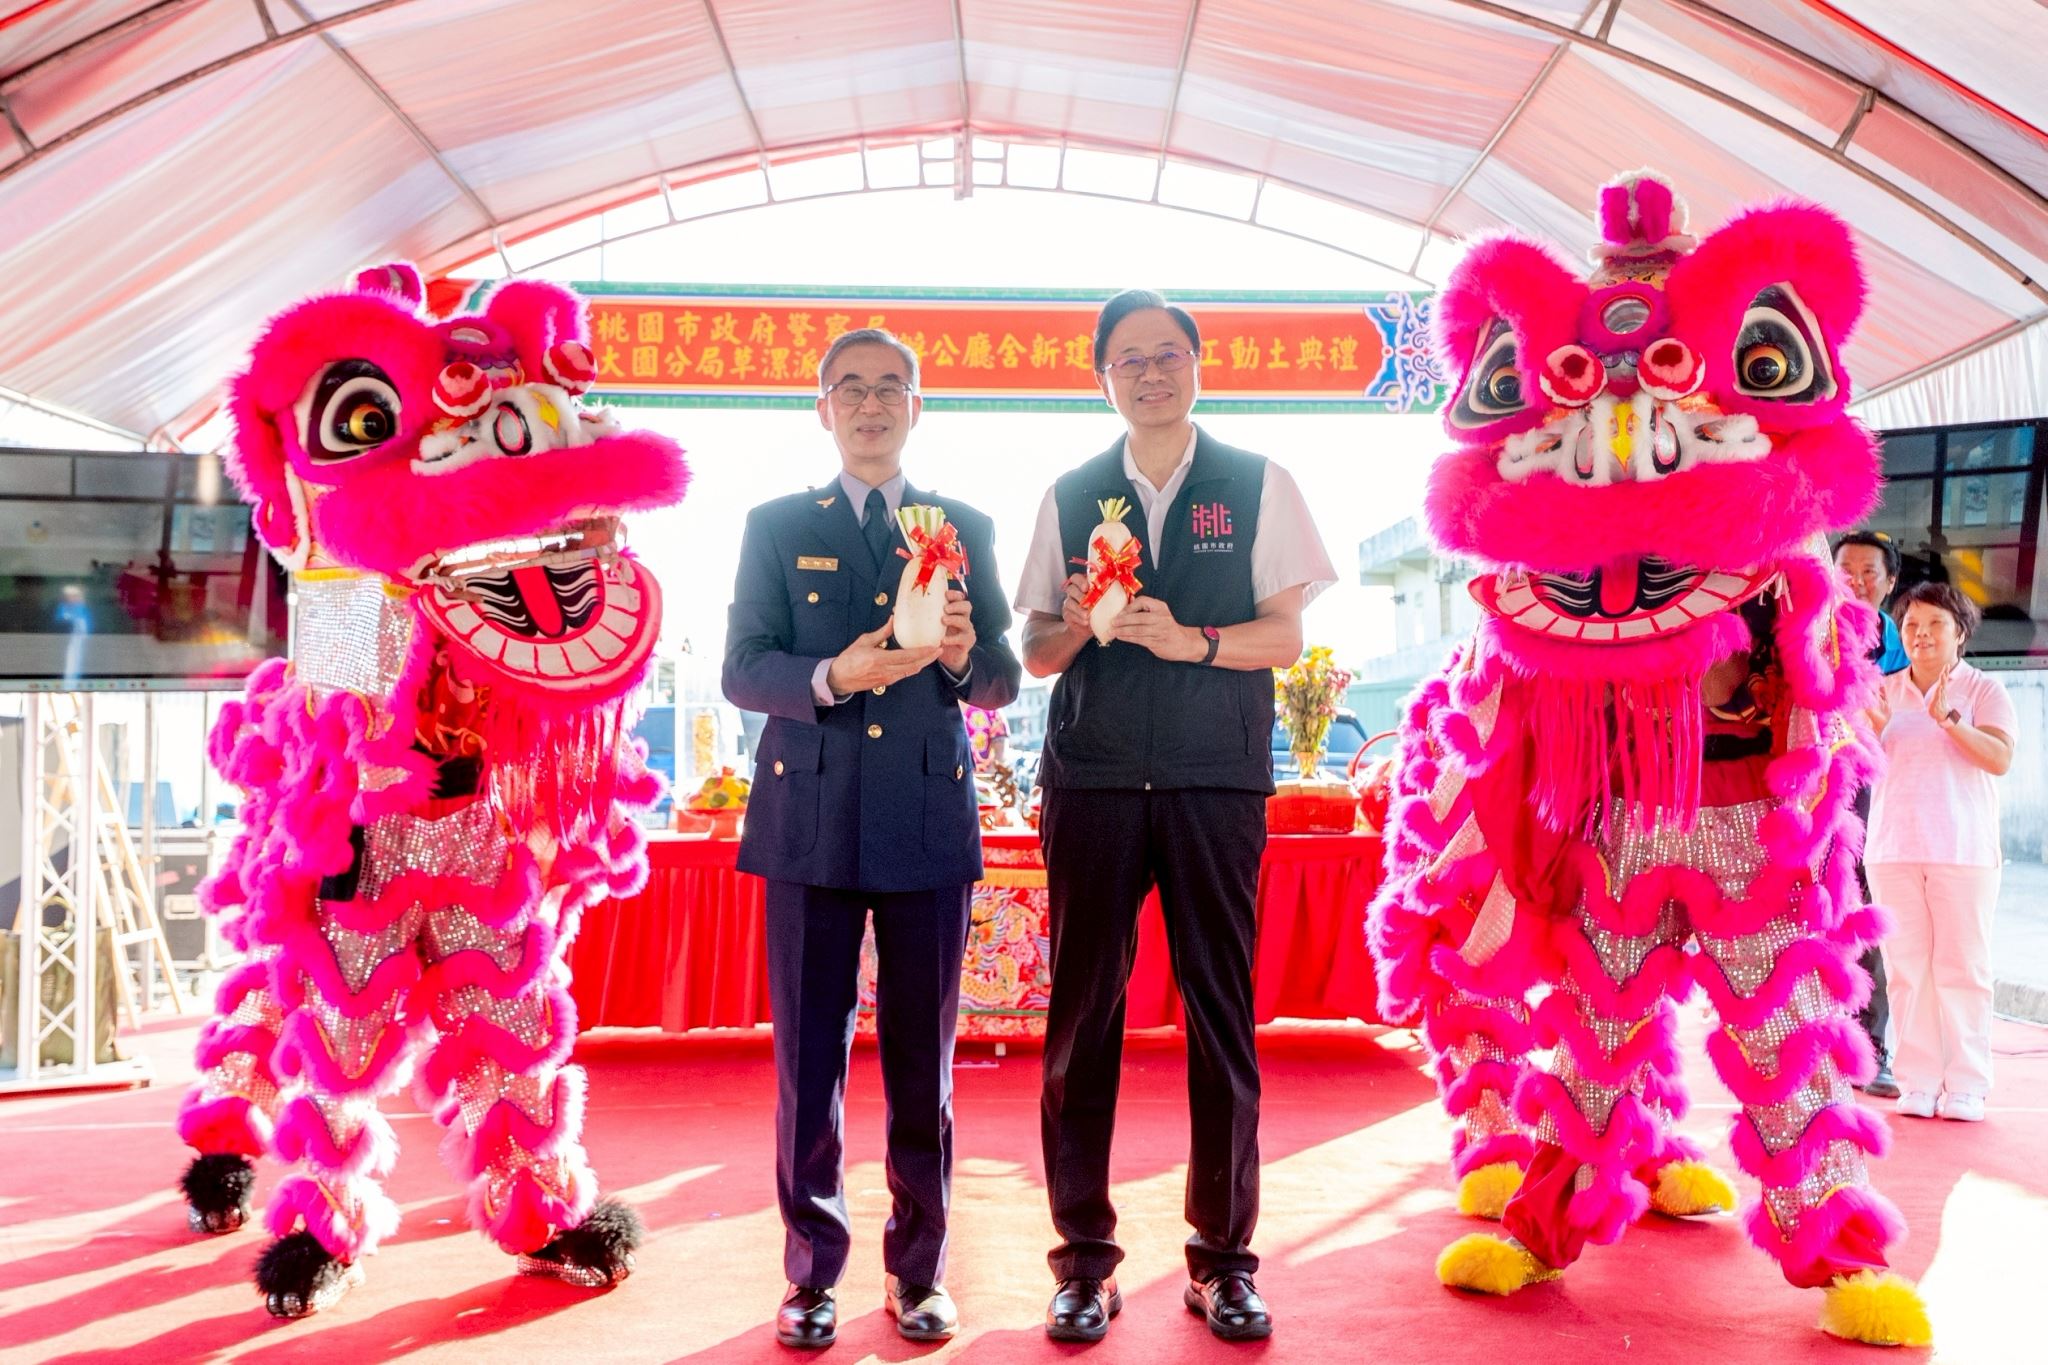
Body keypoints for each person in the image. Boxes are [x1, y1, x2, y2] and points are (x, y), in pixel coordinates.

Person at [1015, 289, 1336, 1343]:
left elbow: (1284, 636)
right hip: (1094, 779)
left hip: (1212, 778)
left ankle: (1223, 1261)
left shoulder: (1257, 482)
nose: (1149, 375)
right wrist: (1078, 624)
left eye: (1165, 356)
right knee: (1081, 1021)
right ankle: (1082, 1261)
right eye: (1128, 361)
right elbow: (1035, 650)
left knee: (1220, 1016)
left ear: (1197, 364)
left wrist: (1189, 641)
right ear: (1102, 378)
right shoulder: (1071, 493)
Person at [723, 328, 1021, 1348]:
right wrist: (831, 676)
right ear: (823, 409)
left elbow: (1000, 679)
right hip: (807, 820)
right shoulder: (775, 525)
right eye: (849, 388)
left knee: (921, 1064)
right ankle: (810, 1274)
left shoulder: (963, 526)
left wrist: (964, 657)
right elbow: (741, 666)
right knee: (808, 1063)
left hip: (924, 816)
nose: (870, 403)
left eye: (890, 387)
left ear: (915, 406)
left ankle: (918, 1271)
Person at [1866, 582, 2015, 1123]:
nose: (1922, 635)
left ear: (1960, 634)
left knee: (1962, 968)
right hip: (1893, 849)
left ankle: (1967, 1085)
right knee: (1906, 969)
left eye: (1935, 625)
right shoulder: (1882, 691)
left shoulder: (1983, 690)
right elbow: (1859, 760)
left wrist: (1949, 718)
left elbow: (1999, 758)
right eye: (1911, 625)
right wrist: (1870, 728)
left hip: (1963, 850)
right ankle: (1919, 1081)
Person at [1834, 530, 1908, 1099]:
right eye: (1845, 570)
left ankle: (1870, 1045)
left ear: (1890, 583)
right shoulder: (1804, 623)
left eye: (1868, 572)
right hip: (1805, 786)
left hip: (1868, 792)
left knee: (1867, 910)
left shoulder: (1896, 641)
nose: (1855, 582)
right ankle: (1809, 1043)